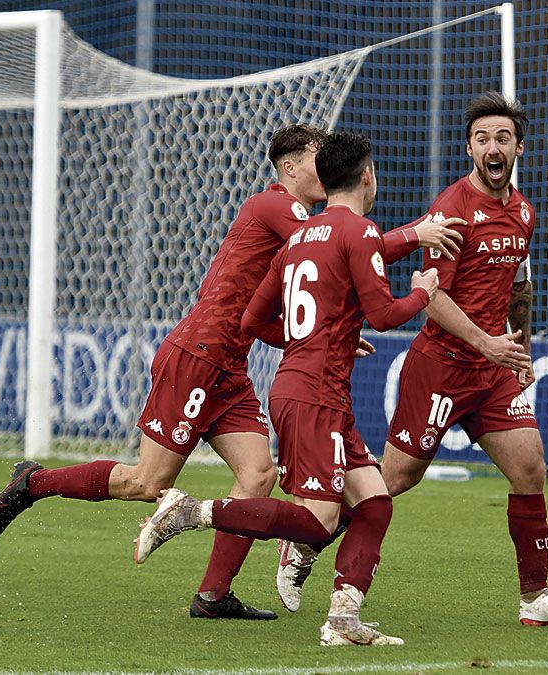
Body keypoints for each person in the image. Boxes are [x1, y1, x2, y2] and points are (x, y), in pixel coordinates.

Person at [0, 124, 464, 621]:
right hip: (200, 353)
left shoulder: (307, 219)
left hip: (230, 365)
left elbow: (287, 294)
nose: (323, 169)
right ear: (289, 168)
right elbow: (337, 245)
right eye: (314, 159)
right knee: (146, 483)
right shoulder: (276, 206)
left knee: (258, 474)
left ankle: (212, 595)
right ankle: (33, 482)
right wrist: (414, 235)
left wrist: (311, 336)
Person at [276, 93, 548, 628]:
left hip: (491, 371)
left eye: (503, 137)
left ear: (519, 146)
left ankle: (535, 597)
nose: (492, 147)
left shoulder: (523, 211)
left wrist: (520, 349)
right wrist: (487, 342)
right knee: (395, 480)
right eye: (482, 138)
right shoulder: (452, 208)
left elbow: (519, 285)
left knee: (531, 467)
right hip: (441, 365)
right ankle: (303, 545)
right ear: (469, 147)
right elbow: (435, 297)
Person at [134, 131, 438, 647]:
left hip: (309, 386)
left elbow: (253, 317)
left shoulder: (300, 237)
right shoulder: (358, 231)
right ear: (367, 176)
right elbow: (385, 316)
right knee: (318, 523)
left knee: (375, 501)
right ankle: (194, 512)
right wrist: (420, 292)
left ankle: (343, 619)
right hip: (316, 392)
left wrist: (316, 332)